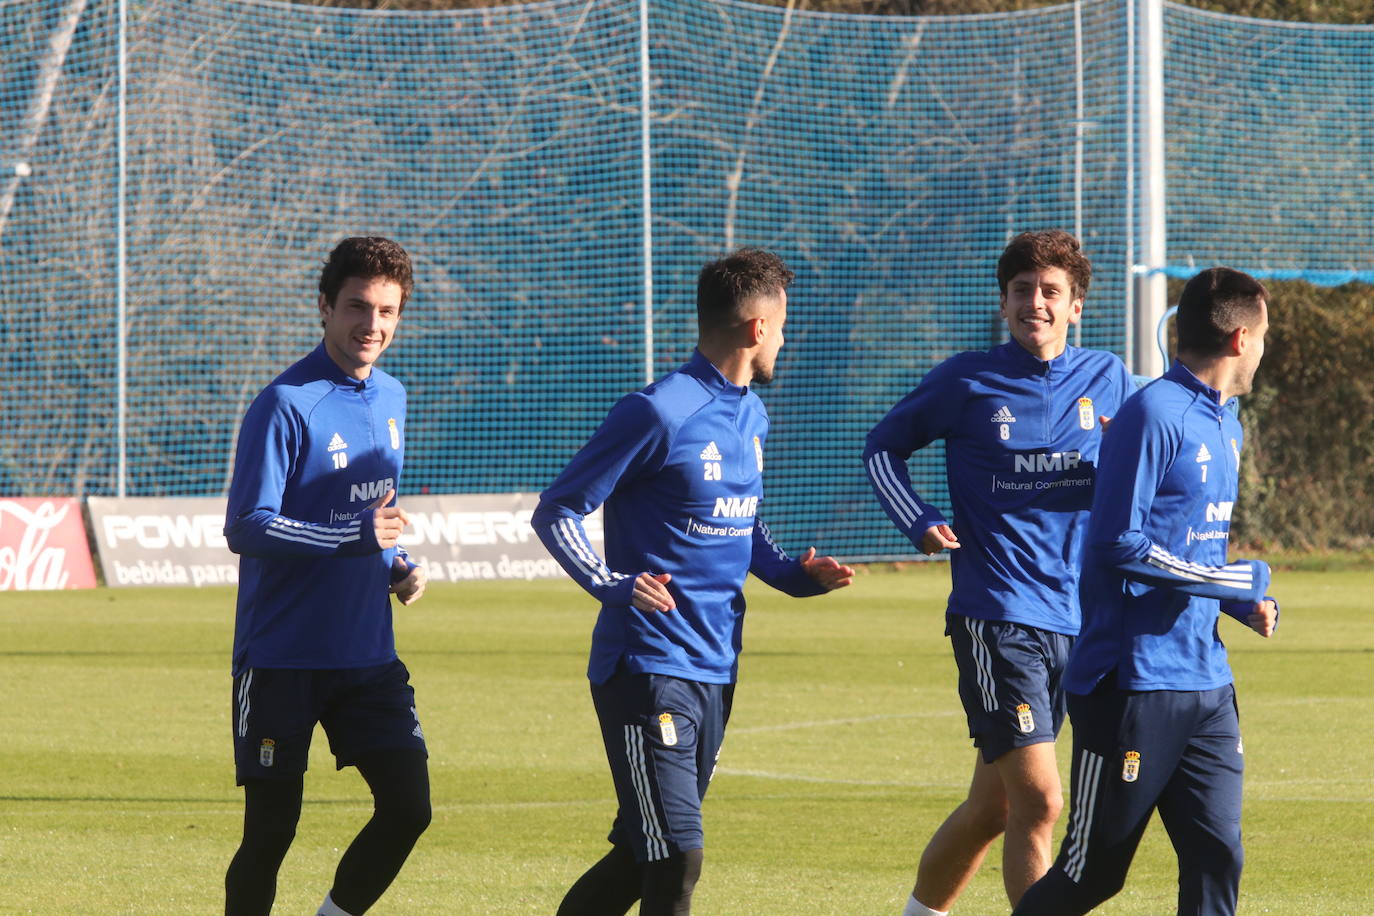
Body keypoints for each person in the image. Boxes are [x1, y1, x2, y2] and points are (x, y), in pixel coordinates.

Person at [532, 247, 855, 916]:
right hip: (647, 665)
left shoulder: (752, 416)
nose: (785, 341)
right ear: (758, 329)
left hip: (716, 668)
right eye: (783, 326)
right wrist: (611, 583)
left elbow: (744, 528)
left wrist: (795, 578)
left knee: (639, 855)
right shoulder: (658, 412)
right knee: (678, 854)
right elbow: (557, 510)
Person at [864, 230, 1134, 915]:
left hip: (1079, 621)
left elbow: (1151, 460)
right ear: (1004, 301)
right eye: (1022, 291)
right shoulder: (967, 379)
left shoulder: (1111, 380)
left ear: (1076, 307)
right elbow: (883, 448)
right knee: (1041, 801)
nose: (1034, 304)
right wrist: (918, 519)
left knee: (992, 808)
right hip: (997, 614)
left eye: (1051, 293)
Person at [1011, 267, 1279, 916]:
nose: (1266, 348)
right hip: (1132, 684)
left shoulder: (1227, 422)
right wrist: (1229, 580)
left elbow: (1191, 550)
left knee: (1219, 857)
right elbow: (1117, 544)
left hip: (1206, 682)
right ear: (1241, 339)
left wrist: (1237, 600)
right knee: (1093, 872)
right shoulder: (1152, 414)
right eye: (1266, 335)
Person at [222, 237, 431, 916]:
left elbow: (365, 516)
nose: (372, 325)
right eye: (357, 307)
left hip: (366, 653)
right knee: (271, 835)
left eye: (387, 311)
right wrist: (352, 539)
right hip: (283, 656)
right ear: (324, 307)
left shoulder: (393, 396)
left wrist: (393, 565)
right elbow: (246, 526)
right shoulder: (285, 403)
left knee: (408, 808)